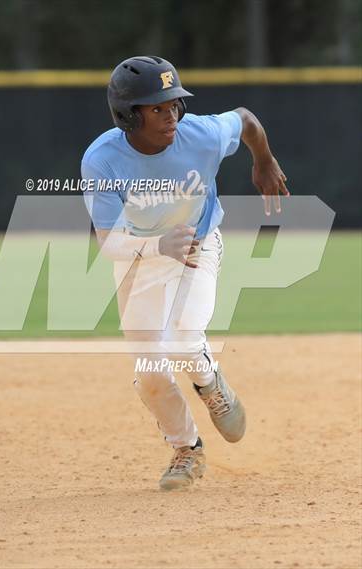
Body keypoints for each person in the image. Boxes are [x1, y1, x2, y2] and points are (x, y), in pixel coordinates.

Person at [81, 56, 289, 491]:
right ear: (127, 114)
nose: (171, 114)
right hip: (139, 258)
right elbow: (108, 242)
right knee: (151, 370)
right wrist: (157, 246)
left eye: (175, 103)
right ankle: (186, 448)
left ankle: (210, 384)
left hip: (198, 246)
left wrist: (263, 159)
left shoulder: (201, 135)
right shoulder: (103, 160)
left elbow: (246, 120)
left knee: (184, 338)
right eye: (157, 107)